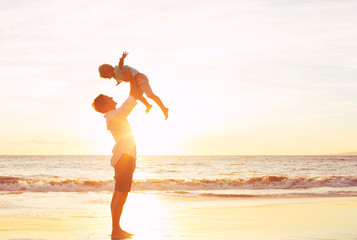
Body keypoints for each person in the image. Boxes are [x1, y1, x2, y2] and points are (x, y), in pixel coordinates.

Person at [92, 71, 142, 240]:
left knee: (118, 194)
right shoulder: (115, 115)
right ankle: (116, 231)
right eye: (108, 97)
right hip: (124, 158)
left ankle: (116, 229)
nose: (111, 97)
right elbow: (132, 98)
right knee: (121, 194)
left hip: (124, 157)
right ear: (105, 105)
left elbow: (132, 98)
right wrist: (132, 78)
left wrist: (131, 80)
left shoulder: (113, 115)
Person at [98, 52, 169, 120]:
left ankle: (164, 108)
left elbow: (120, 66)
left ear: (109, 70)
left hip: (140, 78)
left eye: (107, 76)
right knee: (138, 97)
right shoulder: (115, 76)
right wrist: (118, 83)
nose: (108, 78)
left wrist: (122, 59)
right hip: (136, 81)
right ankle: (148, 105)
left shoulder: (116, 70)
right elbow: (120, 79)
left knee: (150, 95)